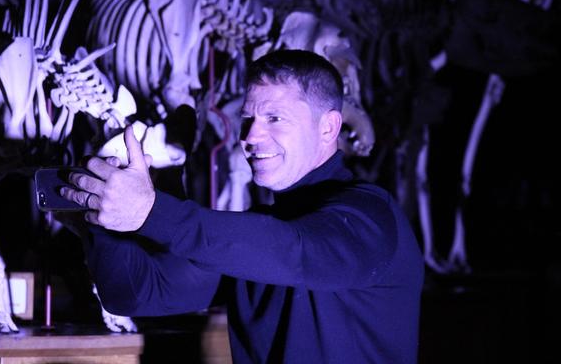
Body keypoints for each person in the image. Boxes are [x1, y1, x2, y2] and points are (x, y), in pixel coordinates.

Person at [61, 49, 424, 363]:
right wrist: (103, 213)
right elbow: (136, 293)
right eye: (248, 119)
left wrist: (151, 212)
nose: (250, 136)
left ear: (329, 127)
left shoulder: (371, 216)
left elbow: (292, 251)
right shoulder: (253, 239)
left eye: (274, 118)